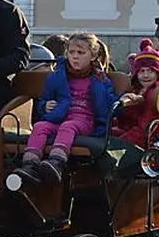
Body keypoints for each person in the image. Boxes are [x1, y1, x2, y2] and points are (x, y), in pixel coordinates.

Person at [11, 32, 119, 185]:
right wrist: (45, 106)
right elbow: (45, 98)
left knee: (68, 127)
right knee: (40, 126)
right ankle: (30, 165)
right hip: (60, 116)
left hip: (85, 120)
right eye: (71, 52)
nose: (75, 56)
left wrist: (120, 100)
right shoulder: (58, 76)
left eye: (81, 53)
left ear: (93, 56)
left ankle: (57, 162)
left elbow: (109, 102)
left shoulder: (99, 79)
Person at [112, 39, 159, 148]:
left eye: (150, 71)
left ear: (158, 73)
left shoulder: (156, 94)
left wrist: (118, 144)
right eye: (142, 71)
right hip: (132, 132)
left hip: (148, 141)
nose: (145, 75)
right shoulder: (137, 90)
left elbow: (145, 129)